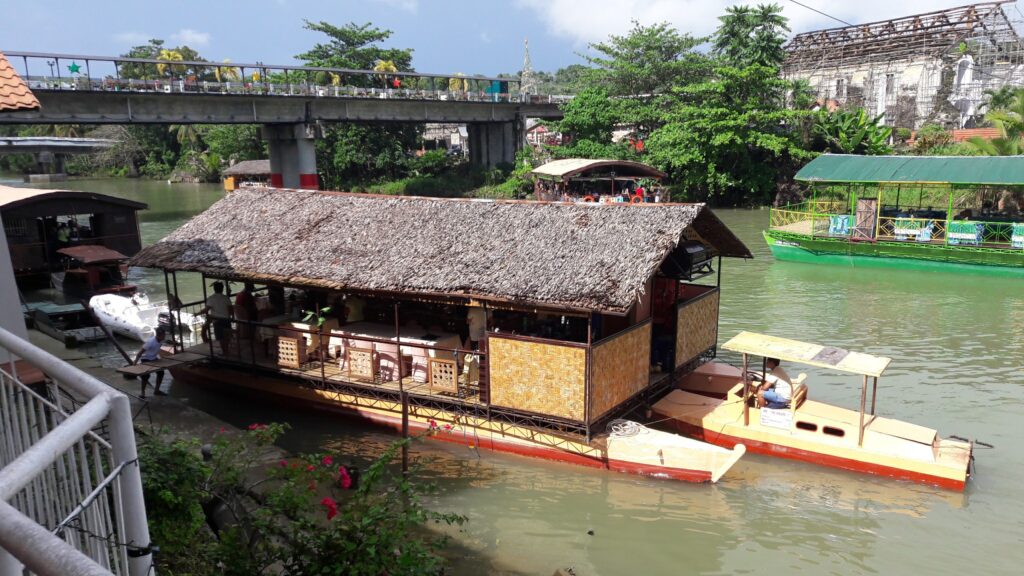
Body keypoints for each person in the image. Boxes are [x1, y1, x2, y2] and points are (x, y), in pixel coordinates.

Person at [134, 327, 167, 398]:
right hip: (145, 358)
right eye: (163, 335)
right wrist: (135, 363)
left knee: (161, 372)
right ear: (159, 335)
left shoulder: (161, 340)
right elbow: (140, 353)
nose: (165, 336)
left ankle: (157, 390)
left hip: (154, 358)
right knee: (146, 376)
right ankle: (142, 393)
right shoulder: (150, 342)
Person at [201, 281, 233, 354]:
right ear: (222, 289)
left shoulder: (211, 298)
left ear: (214, 289)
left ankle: (225, 351)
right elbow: (231, 309)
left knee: (221, 337)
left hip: (217, 320)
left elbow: (206, 309)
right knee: (226, 335)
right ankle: (226, 349)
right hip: (226, 319)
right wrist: (232, 317)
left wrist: (198, 313)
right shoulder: (226, 298)